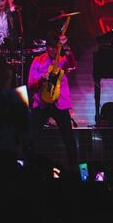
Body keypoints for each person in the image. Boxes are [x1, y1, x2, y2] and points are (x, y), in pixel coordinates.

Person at [25, 31, 78, 168]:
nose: (54, 50)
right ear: (47, 47)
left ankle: (75, 171)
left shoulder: (63, 60)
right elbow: (30, 85)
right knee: (31, 137)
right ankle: (28, 167)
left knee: (69, 139)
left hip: (60, 103)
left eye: (56, 47)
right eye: (51, 47)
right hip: (42, 103)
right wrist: (41, 80)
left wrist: (66, 48)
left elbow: (73, 64)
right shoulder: (38, 61)